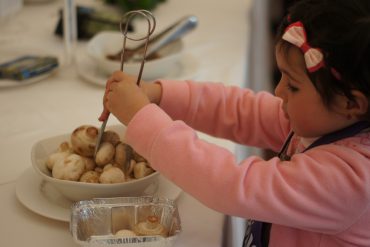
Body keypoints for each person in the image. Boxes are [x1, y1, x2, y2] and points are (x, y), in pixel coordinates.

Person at [99, 0, 370, 246]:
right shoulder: (324, 120)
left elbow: (232, 185)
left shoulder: (349, 182)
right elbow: (240, 110)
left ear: (351, 103)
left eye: (294, 86)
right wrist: (160, 95)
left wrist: (142, 118)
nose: (278, 92)